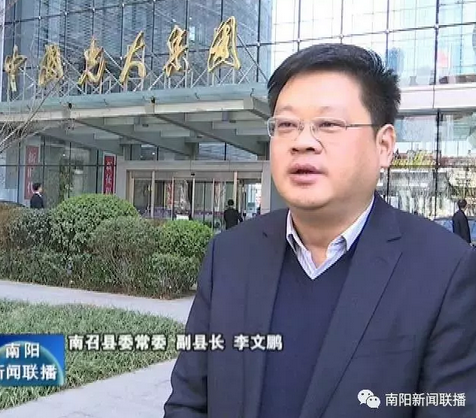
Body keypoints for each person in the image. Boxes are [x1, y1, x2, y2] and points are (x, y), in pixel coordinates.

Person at [164, 43, 476, 418]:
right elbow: (188, 402)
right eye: (286, 125)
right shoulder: (229, 255)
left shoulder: (445, 270)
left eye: (329, 125)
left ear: (384, 145)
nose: (302, 142)